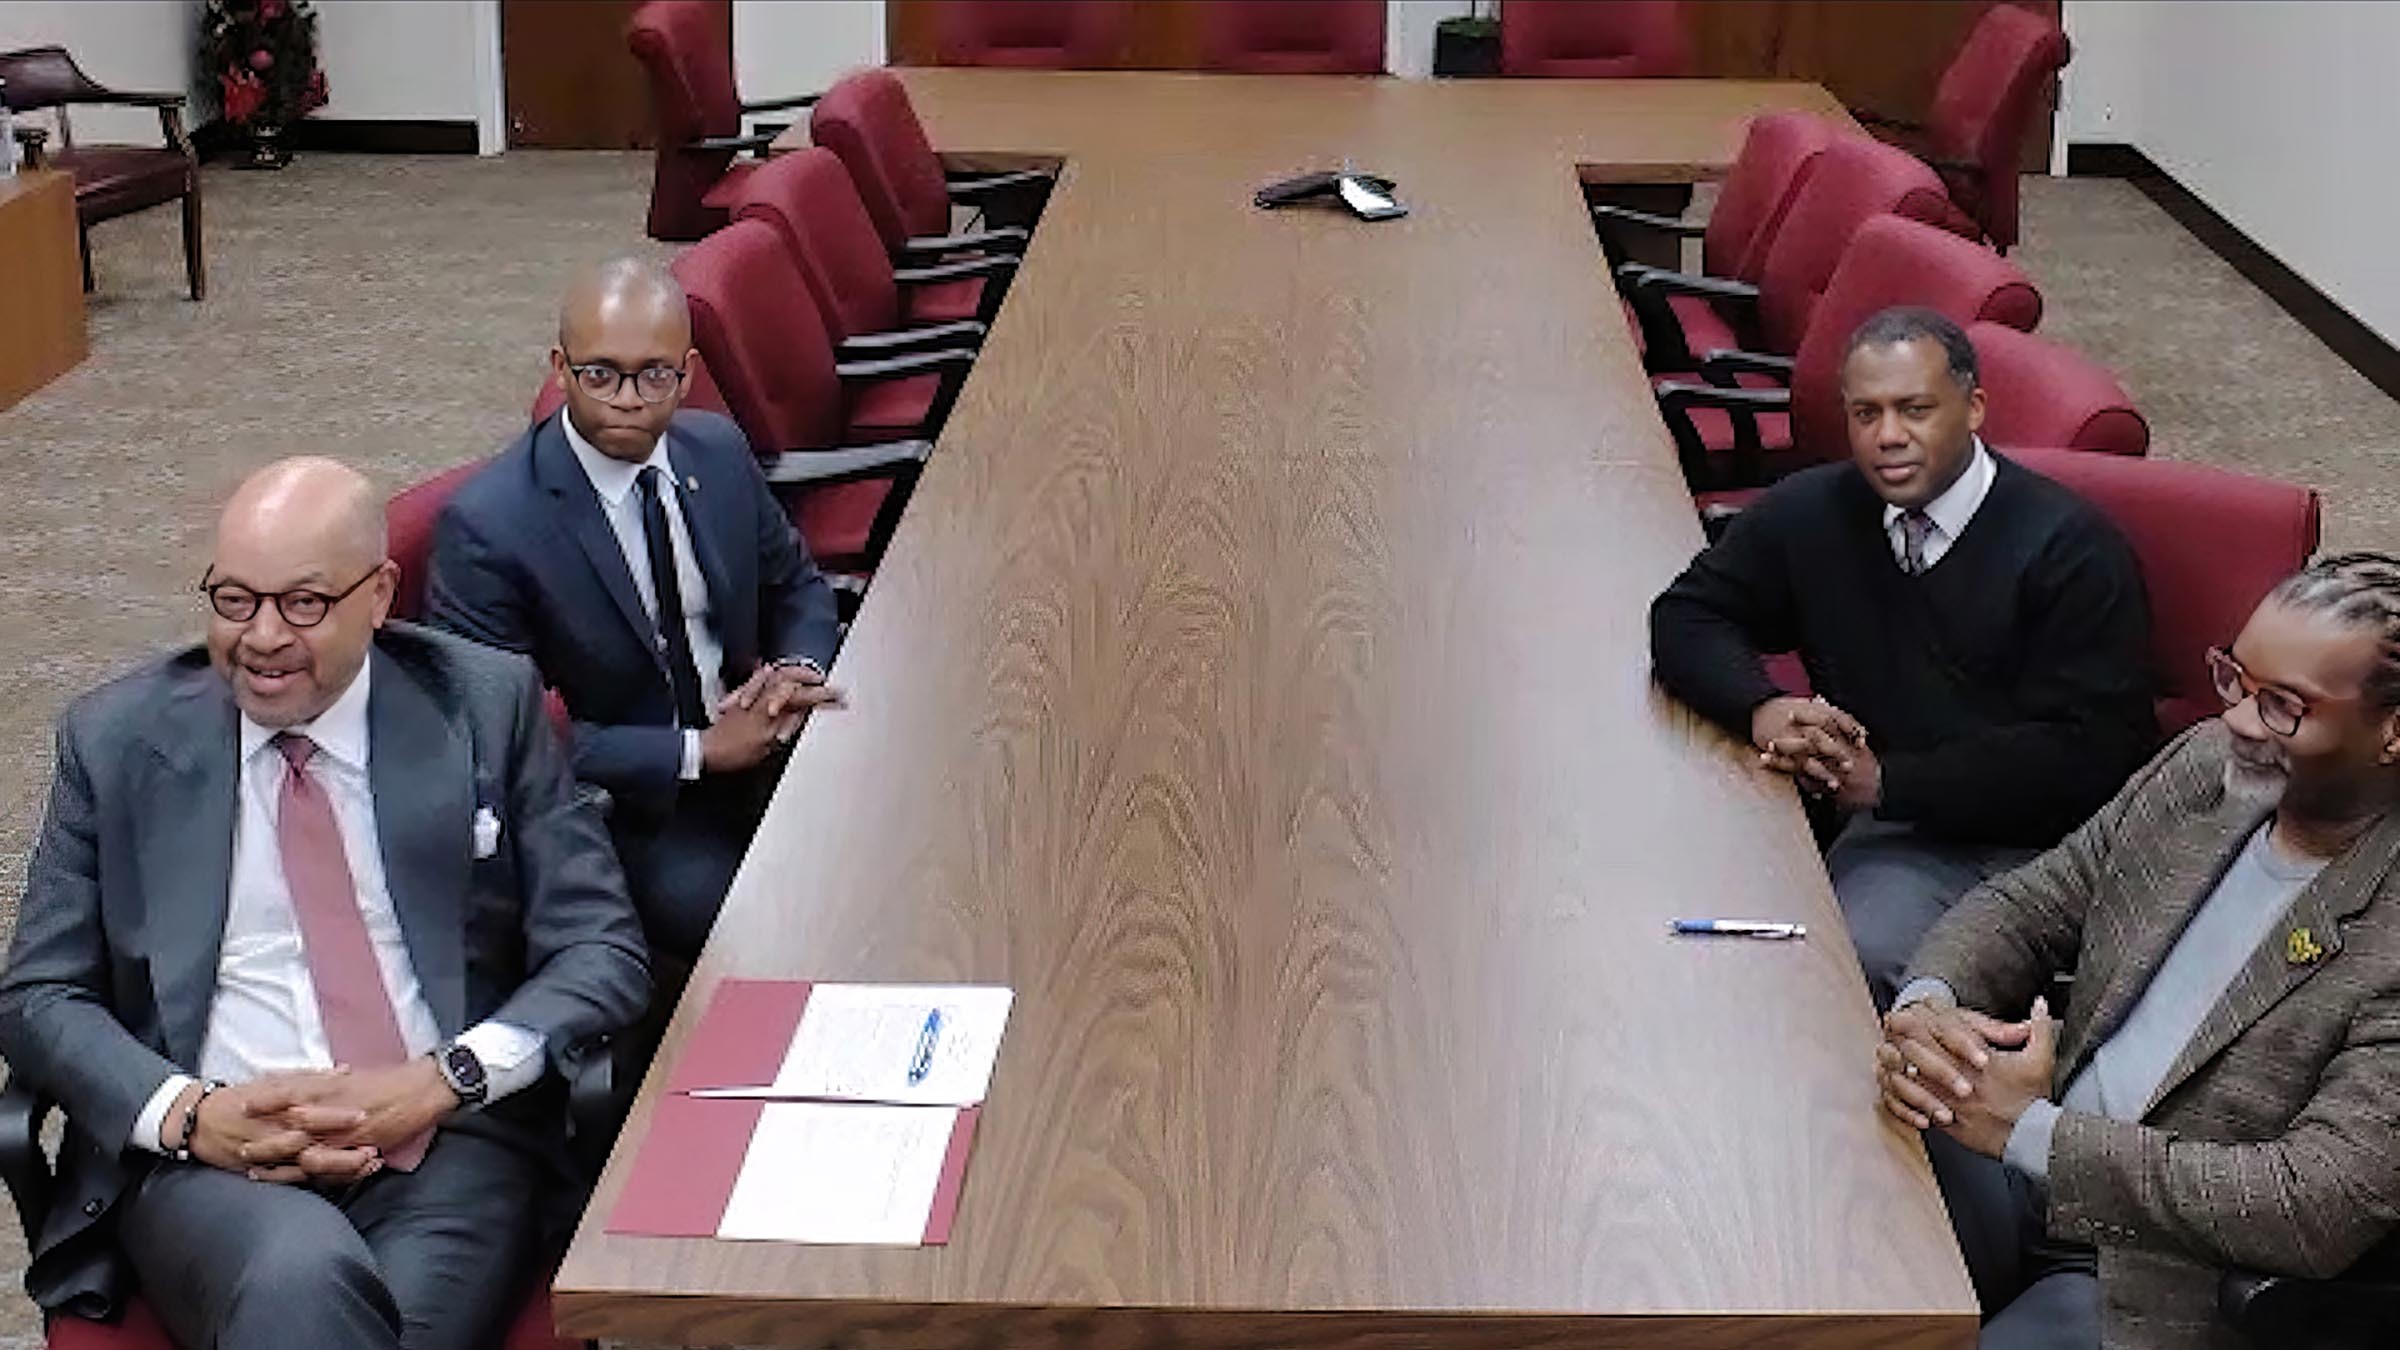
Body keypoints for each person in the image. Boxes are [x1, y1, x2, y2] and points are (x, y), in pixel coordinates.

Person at [0, 458, 651, 1350]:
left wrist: (443, 1079)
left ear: (379, 595)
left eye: (303, 603)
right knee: (300, 1280)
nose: (262, 637)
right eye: (234, 601)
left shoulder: (483, 705)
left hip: (449, 1143)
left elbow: (601, 947)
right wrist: (190, 1114)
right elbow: (38, 995)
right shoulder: (117, 740)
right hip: (212, 1164)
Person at [1879, 553, 2400, 1349]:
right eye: (2234, 679)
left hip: (2158, 1275)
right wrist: (1932, 1008)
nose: (2238, 720)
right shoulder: (2202, 769)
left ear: (2391, 732)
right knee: (1810, 1247)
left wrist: (2035, 1133)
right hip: (2014, 1163)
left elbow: (2314, 1203)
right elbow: (2032, 903)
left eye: (2282, 706)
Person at [1649, 306, 2157, 1006]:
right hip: (1878, 813)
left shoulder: (2073, 551)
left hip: (2024, 845)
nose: (1888, 436)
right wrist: (1763, 706)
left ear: (1974, 408)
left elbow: (2089, 757)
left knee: (1837, 968)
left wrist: (1888, 783)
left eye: (1915, 410)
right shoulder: (1815, 510)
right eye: (1867, 414)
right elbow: (1688, 613)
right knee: (1680, 884)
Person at [426, 257, 844, 961]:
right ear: (560, 370)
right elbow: (495, 737)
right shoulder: (489, 526)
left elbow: (796, 583)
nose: (627, 399)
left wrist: (798, 670)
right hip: (635, 806)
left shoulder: (716, 452)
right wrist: (699, 751)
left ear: (687, 373)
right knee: (774, 929)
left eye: (654, 375)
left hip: (765, 739)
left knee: (902, 836)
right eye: (600, 374)